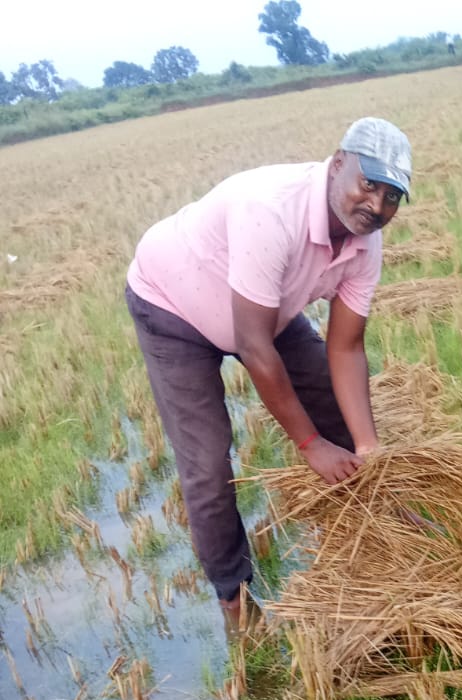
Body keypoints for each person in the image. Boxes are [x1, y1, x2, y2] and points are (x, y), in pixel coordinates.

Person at [125, 117, 412, 619]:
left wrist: (367, 448)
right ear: (338, 163)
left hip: (262, 304)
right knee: (209, 462)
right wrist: (310, 444)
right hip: (173, 305)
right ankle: (233, 598)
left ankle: (370, 517)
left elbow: (346, 348)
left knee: (334, 401)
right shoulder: (272, 209)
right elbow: (255, 349)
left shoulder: (367, 243)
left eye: (392, 197)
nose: (377, 206)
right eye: (369, 185)